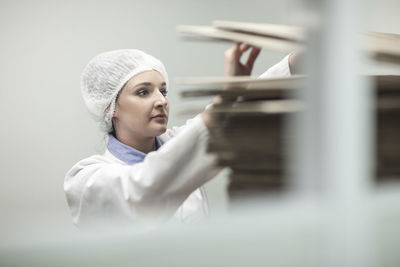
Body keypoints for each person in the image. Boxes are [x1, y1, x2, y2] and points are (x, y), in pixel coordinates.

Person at [64, 45, 295, 227]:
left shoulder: (175, 144)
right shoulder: (86, 179)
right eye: (143, 92)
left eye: (163, 91)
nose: (161, 101)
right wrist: (225, 98)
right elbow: (145, 190)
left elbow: (232, 117)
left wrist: (294, 64)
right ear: (110, 108)